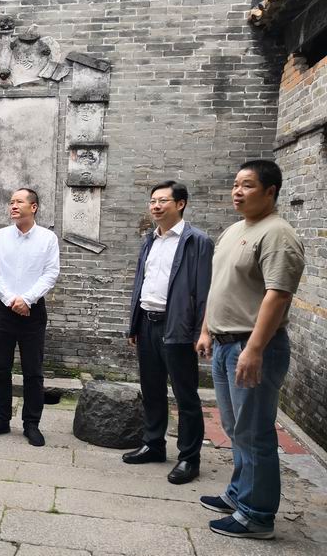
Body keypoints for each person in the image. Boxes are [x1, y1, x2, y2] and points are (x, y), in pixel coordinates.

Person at [197, 160, 305, 540]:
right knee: (235, 428)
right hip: (226, 344)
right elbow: (220, 286)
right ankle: (239, 494)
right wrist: (206, 330)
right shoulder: (234, 230)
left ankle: (257, 515)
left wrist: (255, 348)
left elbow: (278, 295)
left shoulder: (278, 234)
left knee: (255, 432)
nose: (237, 192)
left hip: (253, 346)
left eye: (247, 185)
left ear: (270, 191)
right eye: (235, 185)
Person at [123, 181, 212, 485]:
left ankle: (189, 458)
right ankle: (153, 444)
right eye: (152, 201)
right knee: (151, 389)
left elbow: (205, 291)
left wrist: (202, 331)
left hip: (178, 327)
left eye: (163, 201)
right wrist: (134, 323)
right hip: (147, 323)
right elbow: (141, 282)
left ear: (180, 204)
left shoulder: (197, 241)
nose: (156, 206)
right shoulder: (150, 240)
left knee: (185, 395)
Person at [0, 188, 59, 447]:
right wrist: (10, 300)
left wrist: (26, 299)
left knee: (33, 371)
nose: (13, 206)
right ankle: (1, 419)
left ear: (33, 207)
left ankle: (31, 423)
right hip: (3, 311)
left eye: (19, 202)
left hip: (33, 311)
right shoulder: (0, 236)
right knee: (0, 368)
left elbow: (50, 273)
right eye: (11, 202)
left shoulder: (47, 238)